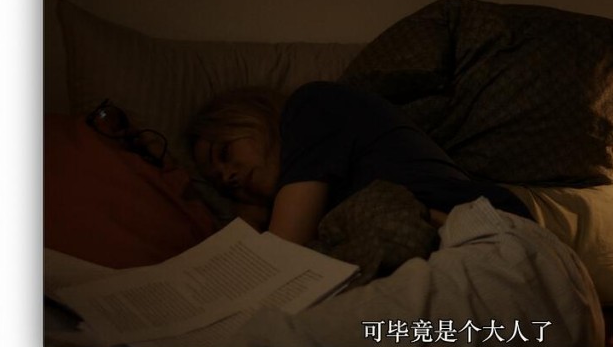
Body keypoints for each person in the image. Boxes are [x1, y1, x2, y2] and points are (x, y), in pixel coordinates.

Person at [187, 81, 531, 246]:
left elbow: (281, 252)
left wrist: (253, 221)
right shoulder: (323, 200)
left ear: (256, 117)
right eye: (219, 183)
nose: (227, 177)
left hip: (483, 228)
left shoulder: (309, 106)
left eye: (225, 153)